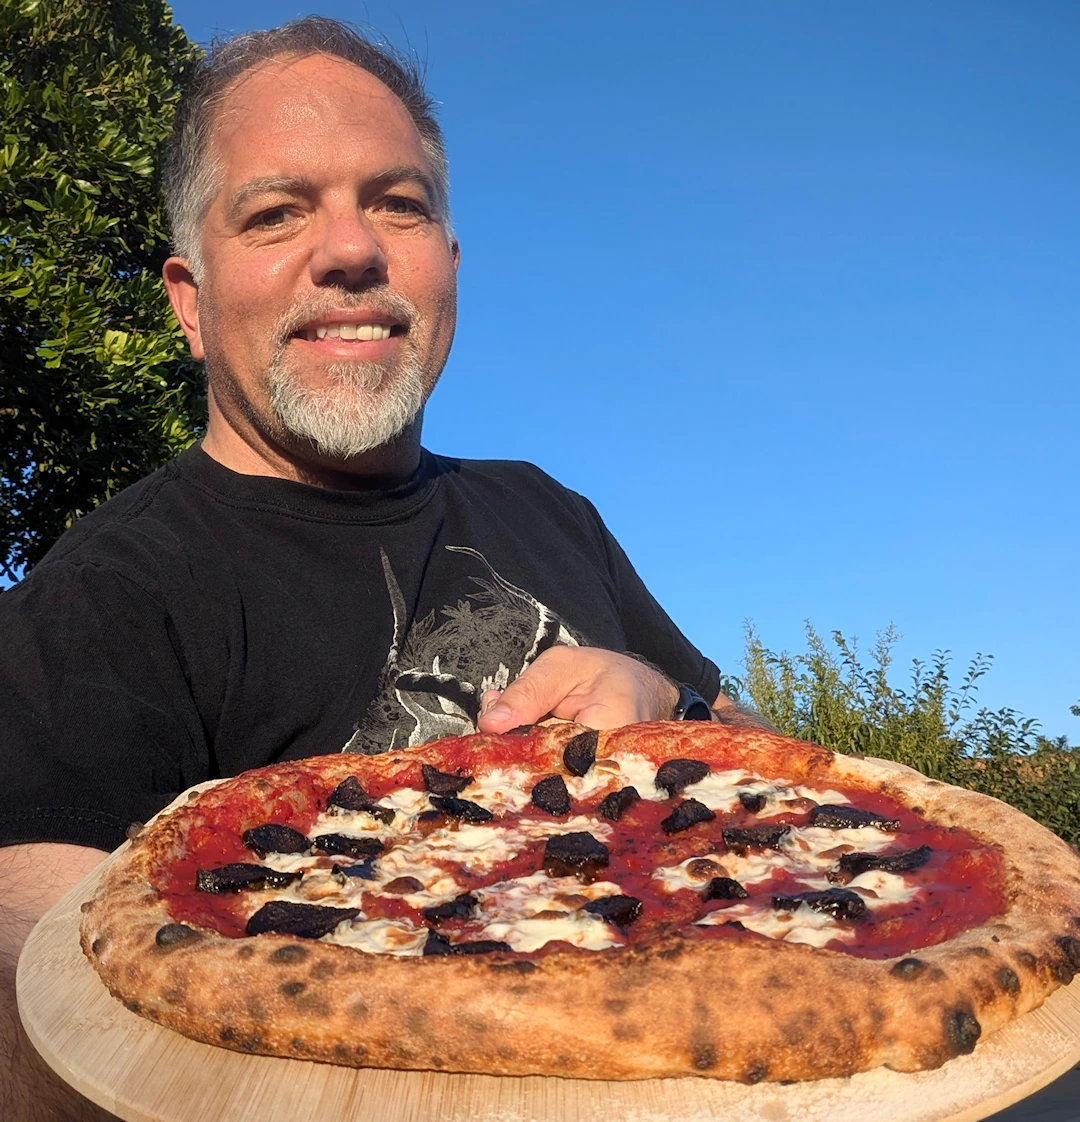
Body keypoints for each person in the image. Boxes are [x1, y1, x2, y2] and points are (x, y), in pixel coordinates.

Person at [0, 18, 753, 1120]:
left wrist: (664, 698)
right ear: (191, 301)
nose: (351, 250)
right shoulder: (98, 601)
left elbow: (775, 769)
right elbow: (49, 1023)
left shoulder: (550, 508)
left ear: (450, 266)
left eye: (399, 204)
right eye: (275, 212)